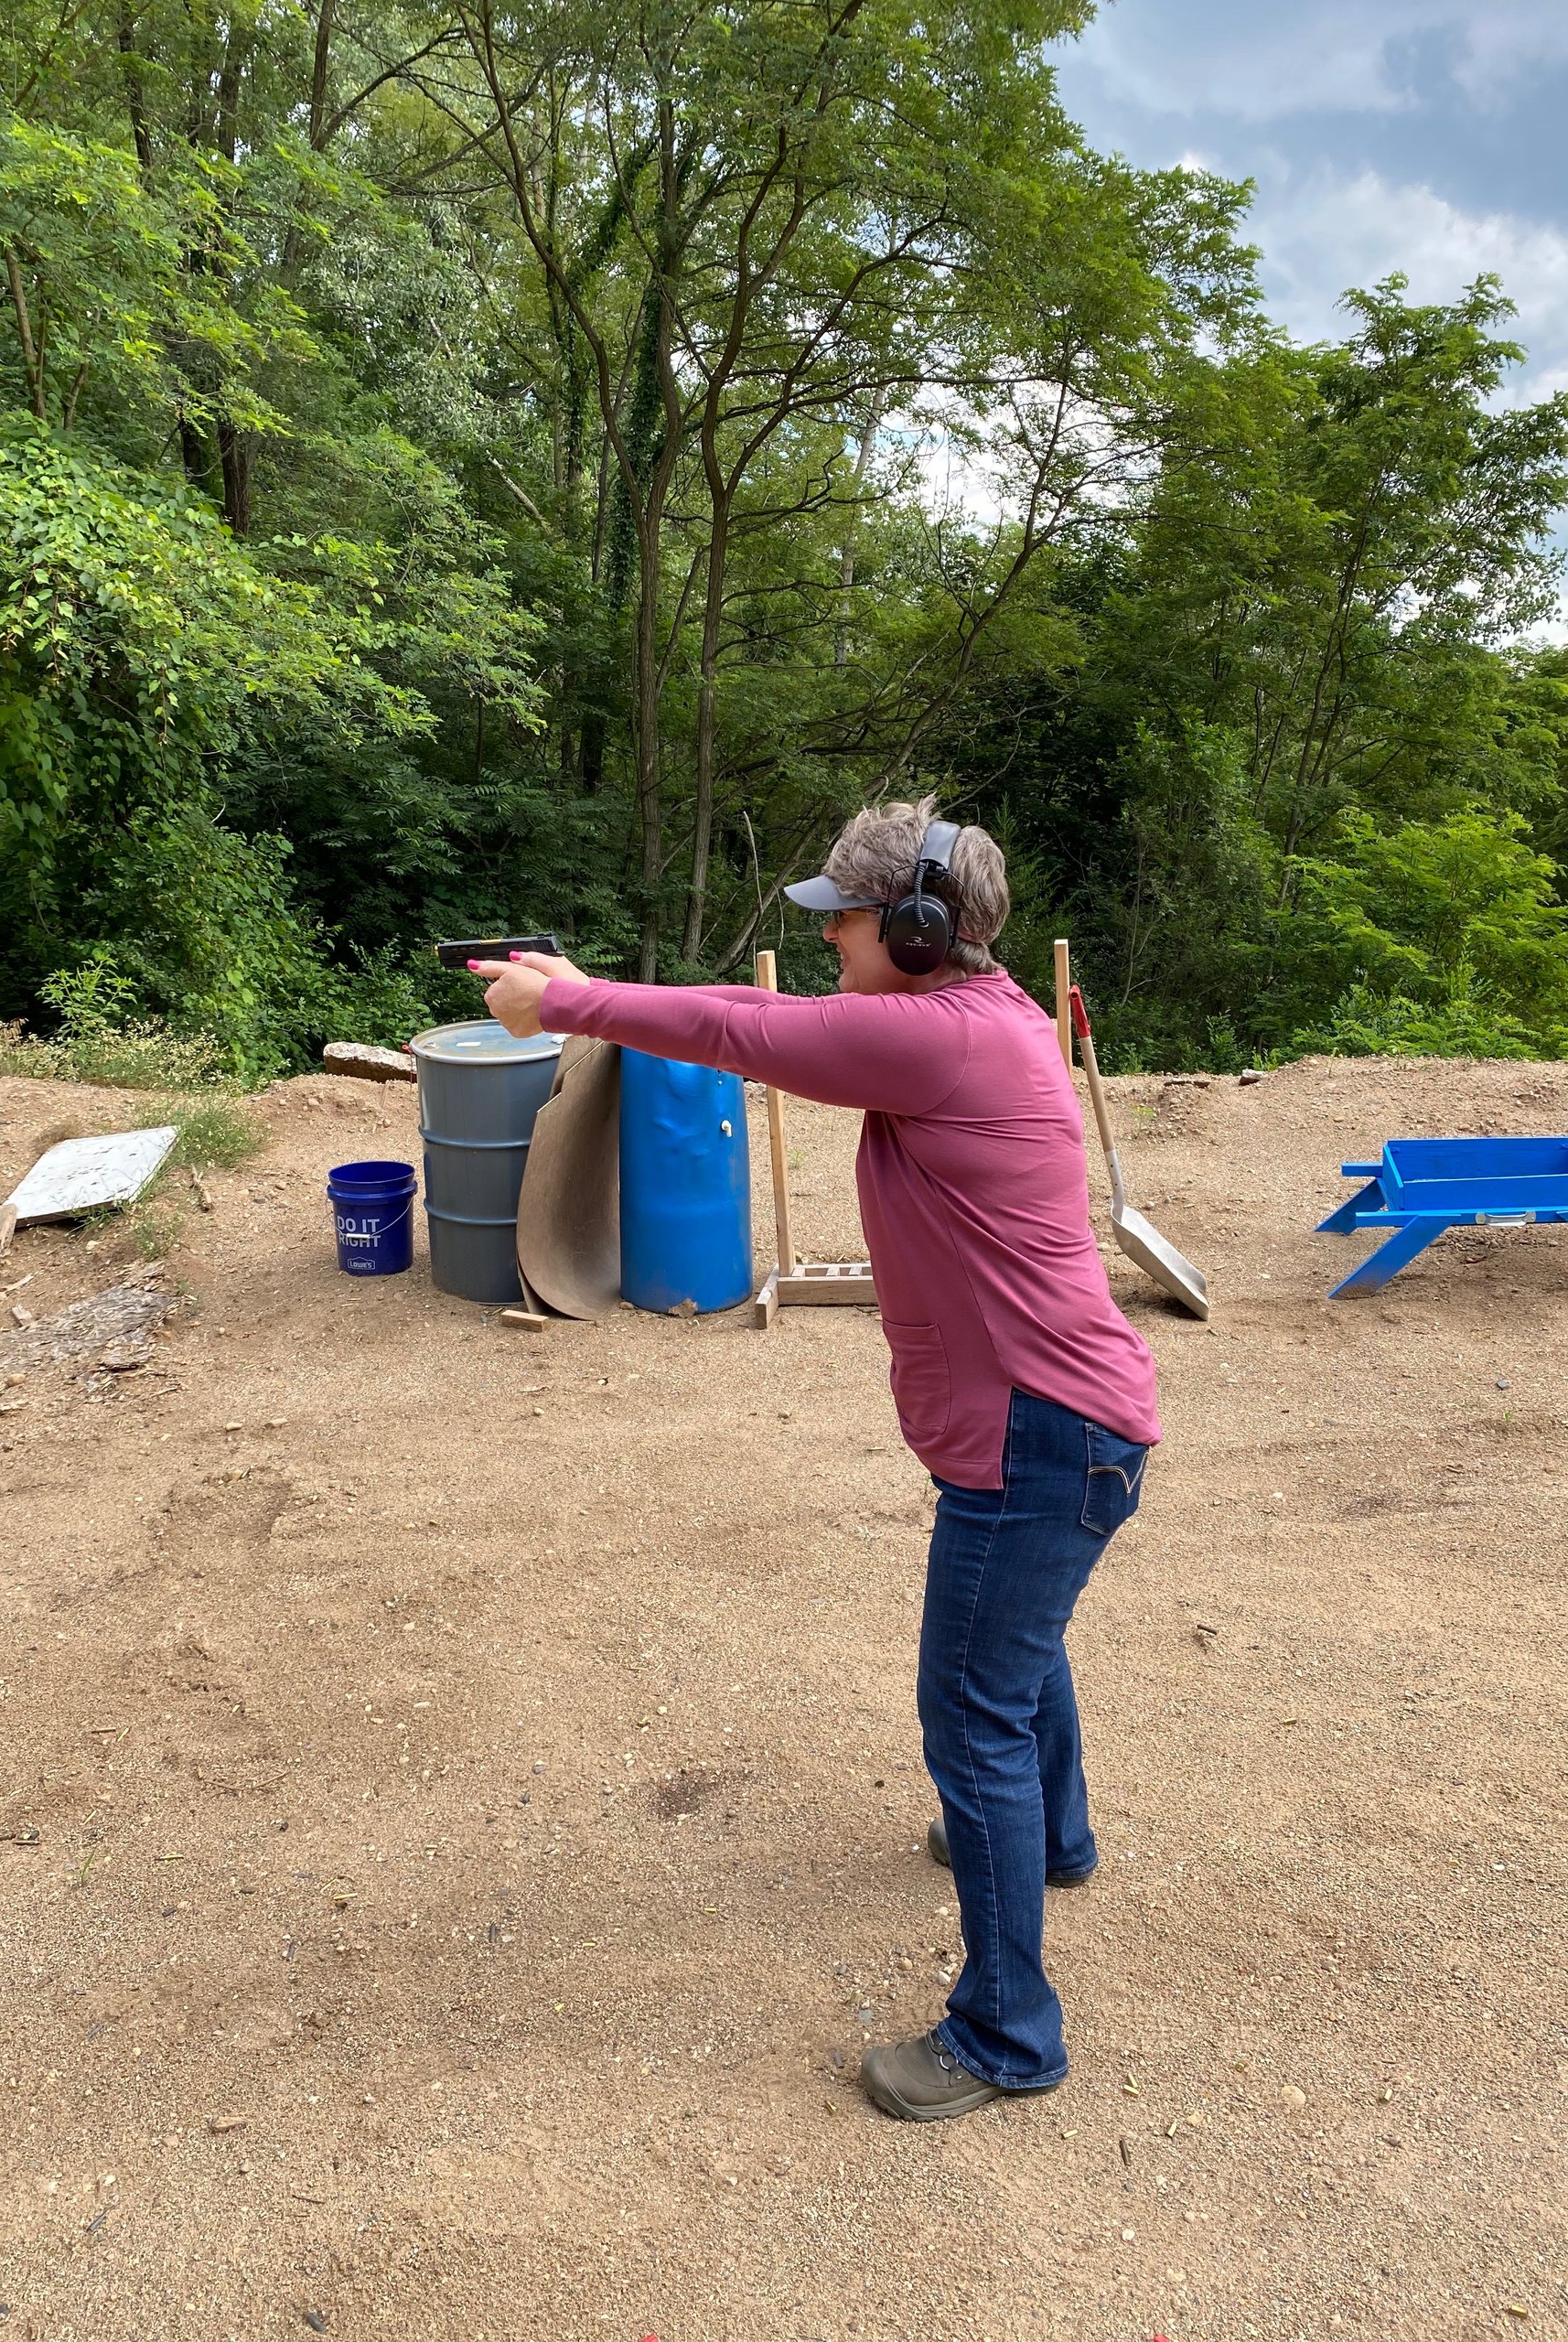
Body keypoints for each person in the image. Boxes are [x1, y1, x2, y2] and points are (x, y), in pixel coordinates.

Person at [475, 800, 1160, 2123]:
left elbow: (745, 1033)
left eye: (845, 918)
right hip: (1057, 1428)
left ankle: (1007, 2035)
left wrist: (564, 1004)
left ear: (918, 930)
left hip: (1039, 1436)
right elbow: (760, 1013)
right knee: (1016, 1653)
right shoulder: (985, 1016)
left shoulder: (938, 1041)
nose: (832, 937)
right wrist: (577, 990)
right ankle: (1053, 1839)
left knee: (972, 1709)